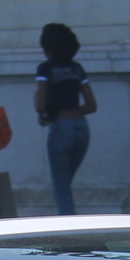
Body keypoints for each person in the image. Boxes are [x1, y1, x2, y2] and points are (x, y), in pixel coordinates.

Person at [32, 22, 96, 216]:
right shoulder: (77, 69)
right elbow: (92, 105)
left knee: (61, 187)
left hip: (60, 128)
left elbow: (41, 105)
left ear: (47, 48)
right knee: (66, 181)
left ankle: (68, 226)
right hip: (81, 127)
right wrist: (74, 110)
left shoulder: (45, 68)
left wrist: (44, 105)